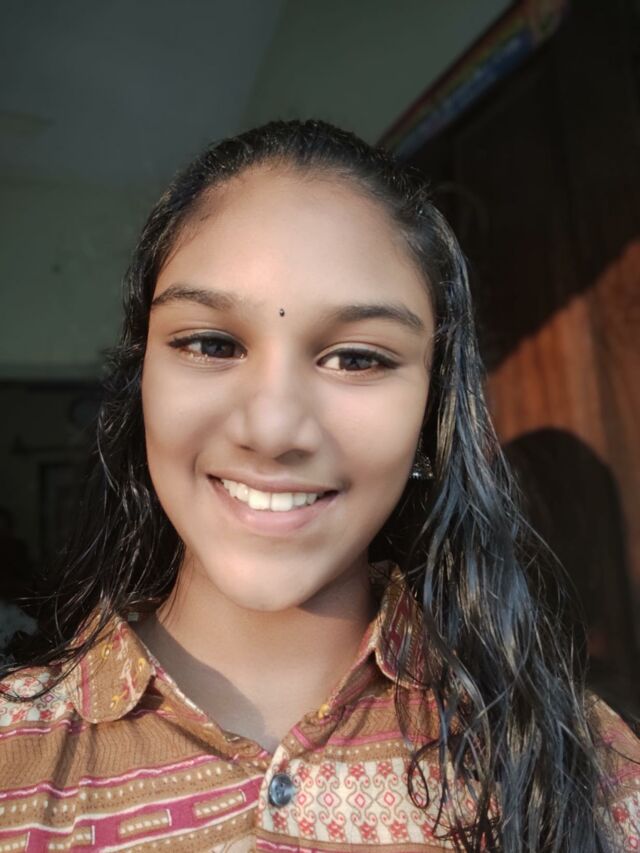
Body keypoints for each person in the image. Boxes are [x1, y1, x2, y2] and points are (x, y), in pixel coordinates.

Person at [0, 119, 637, 852]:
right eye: (210, 343)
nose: (273, 429)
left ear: (433, 410)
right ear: (142, 378)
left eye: (357, 359)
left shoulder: (592, 773)